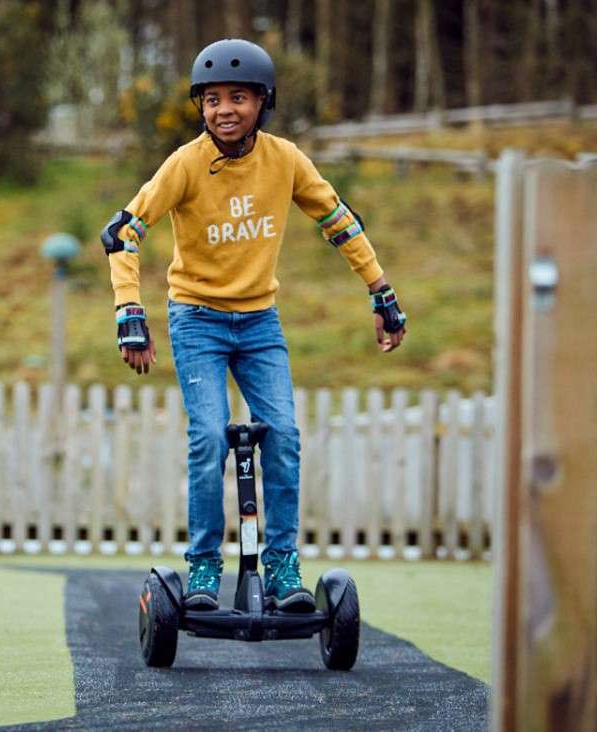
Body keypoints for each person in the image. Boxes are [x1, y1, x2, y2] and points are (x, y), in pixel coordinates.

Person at [101, 39, 407, 613]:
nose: (224, 110)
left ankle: (283, 563)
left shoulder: (285, 160)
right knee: (209, 435)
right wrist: (129, 312)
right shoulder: (185, 164)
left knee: (284, 436)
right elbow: (123, 232)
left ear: (263, 102)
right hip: (197, 319)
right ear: (200, 106)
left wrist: (381, 291)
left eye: (238, 97)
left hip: (260, 323)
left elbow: (339, 220)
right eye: (212, 99)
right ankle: (203, 565)